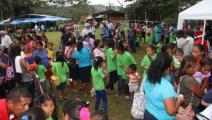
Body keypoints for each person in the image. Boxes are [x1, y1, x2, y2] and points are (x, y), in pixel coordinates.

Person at [143, 53, 184, 119]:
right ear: (167, 69)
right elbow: (171, 112)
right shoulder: (166, 86)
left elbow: (145, 92)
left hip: (148, 113)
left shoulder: (147, 76)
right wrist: (179, 100)